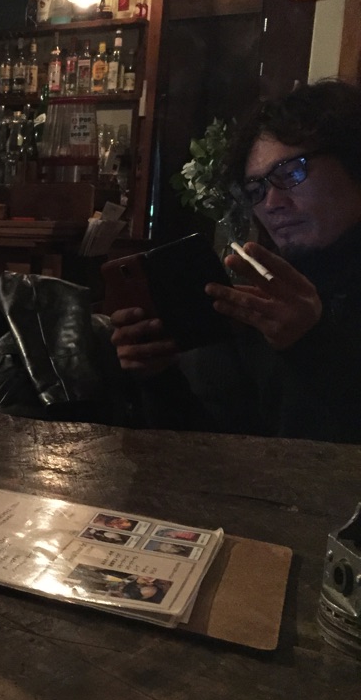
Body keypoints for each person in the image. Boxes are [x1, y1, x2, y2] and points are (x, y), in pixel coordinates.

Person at [110, 79, 361, 444]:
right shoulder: (265, 307)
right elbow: (213, 453)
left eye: (291, 174)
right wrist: (158, 376)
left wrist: (311, 344)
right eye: (256, 189)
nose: (271, 204)